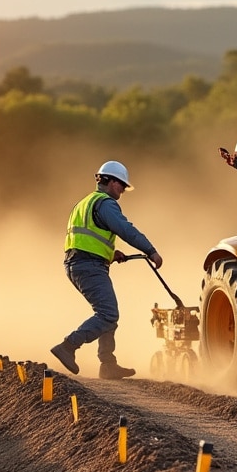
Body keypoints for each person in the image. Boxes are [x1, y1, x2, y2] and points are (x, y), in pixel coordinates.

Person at [51, 161, 163, 379]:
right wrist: (151, 251)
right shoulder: (106, 203)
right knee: (108, 314)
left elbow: (83, 239)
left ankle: (108, 365)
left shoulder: (84, 203)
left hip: (79, 263)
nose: (122, 189)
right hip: (89, 266)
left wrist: (111, 254)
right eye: (121, 185)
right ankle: (68, 346)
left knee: (107, 313)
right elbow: (125, 229)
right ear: (110, 181)